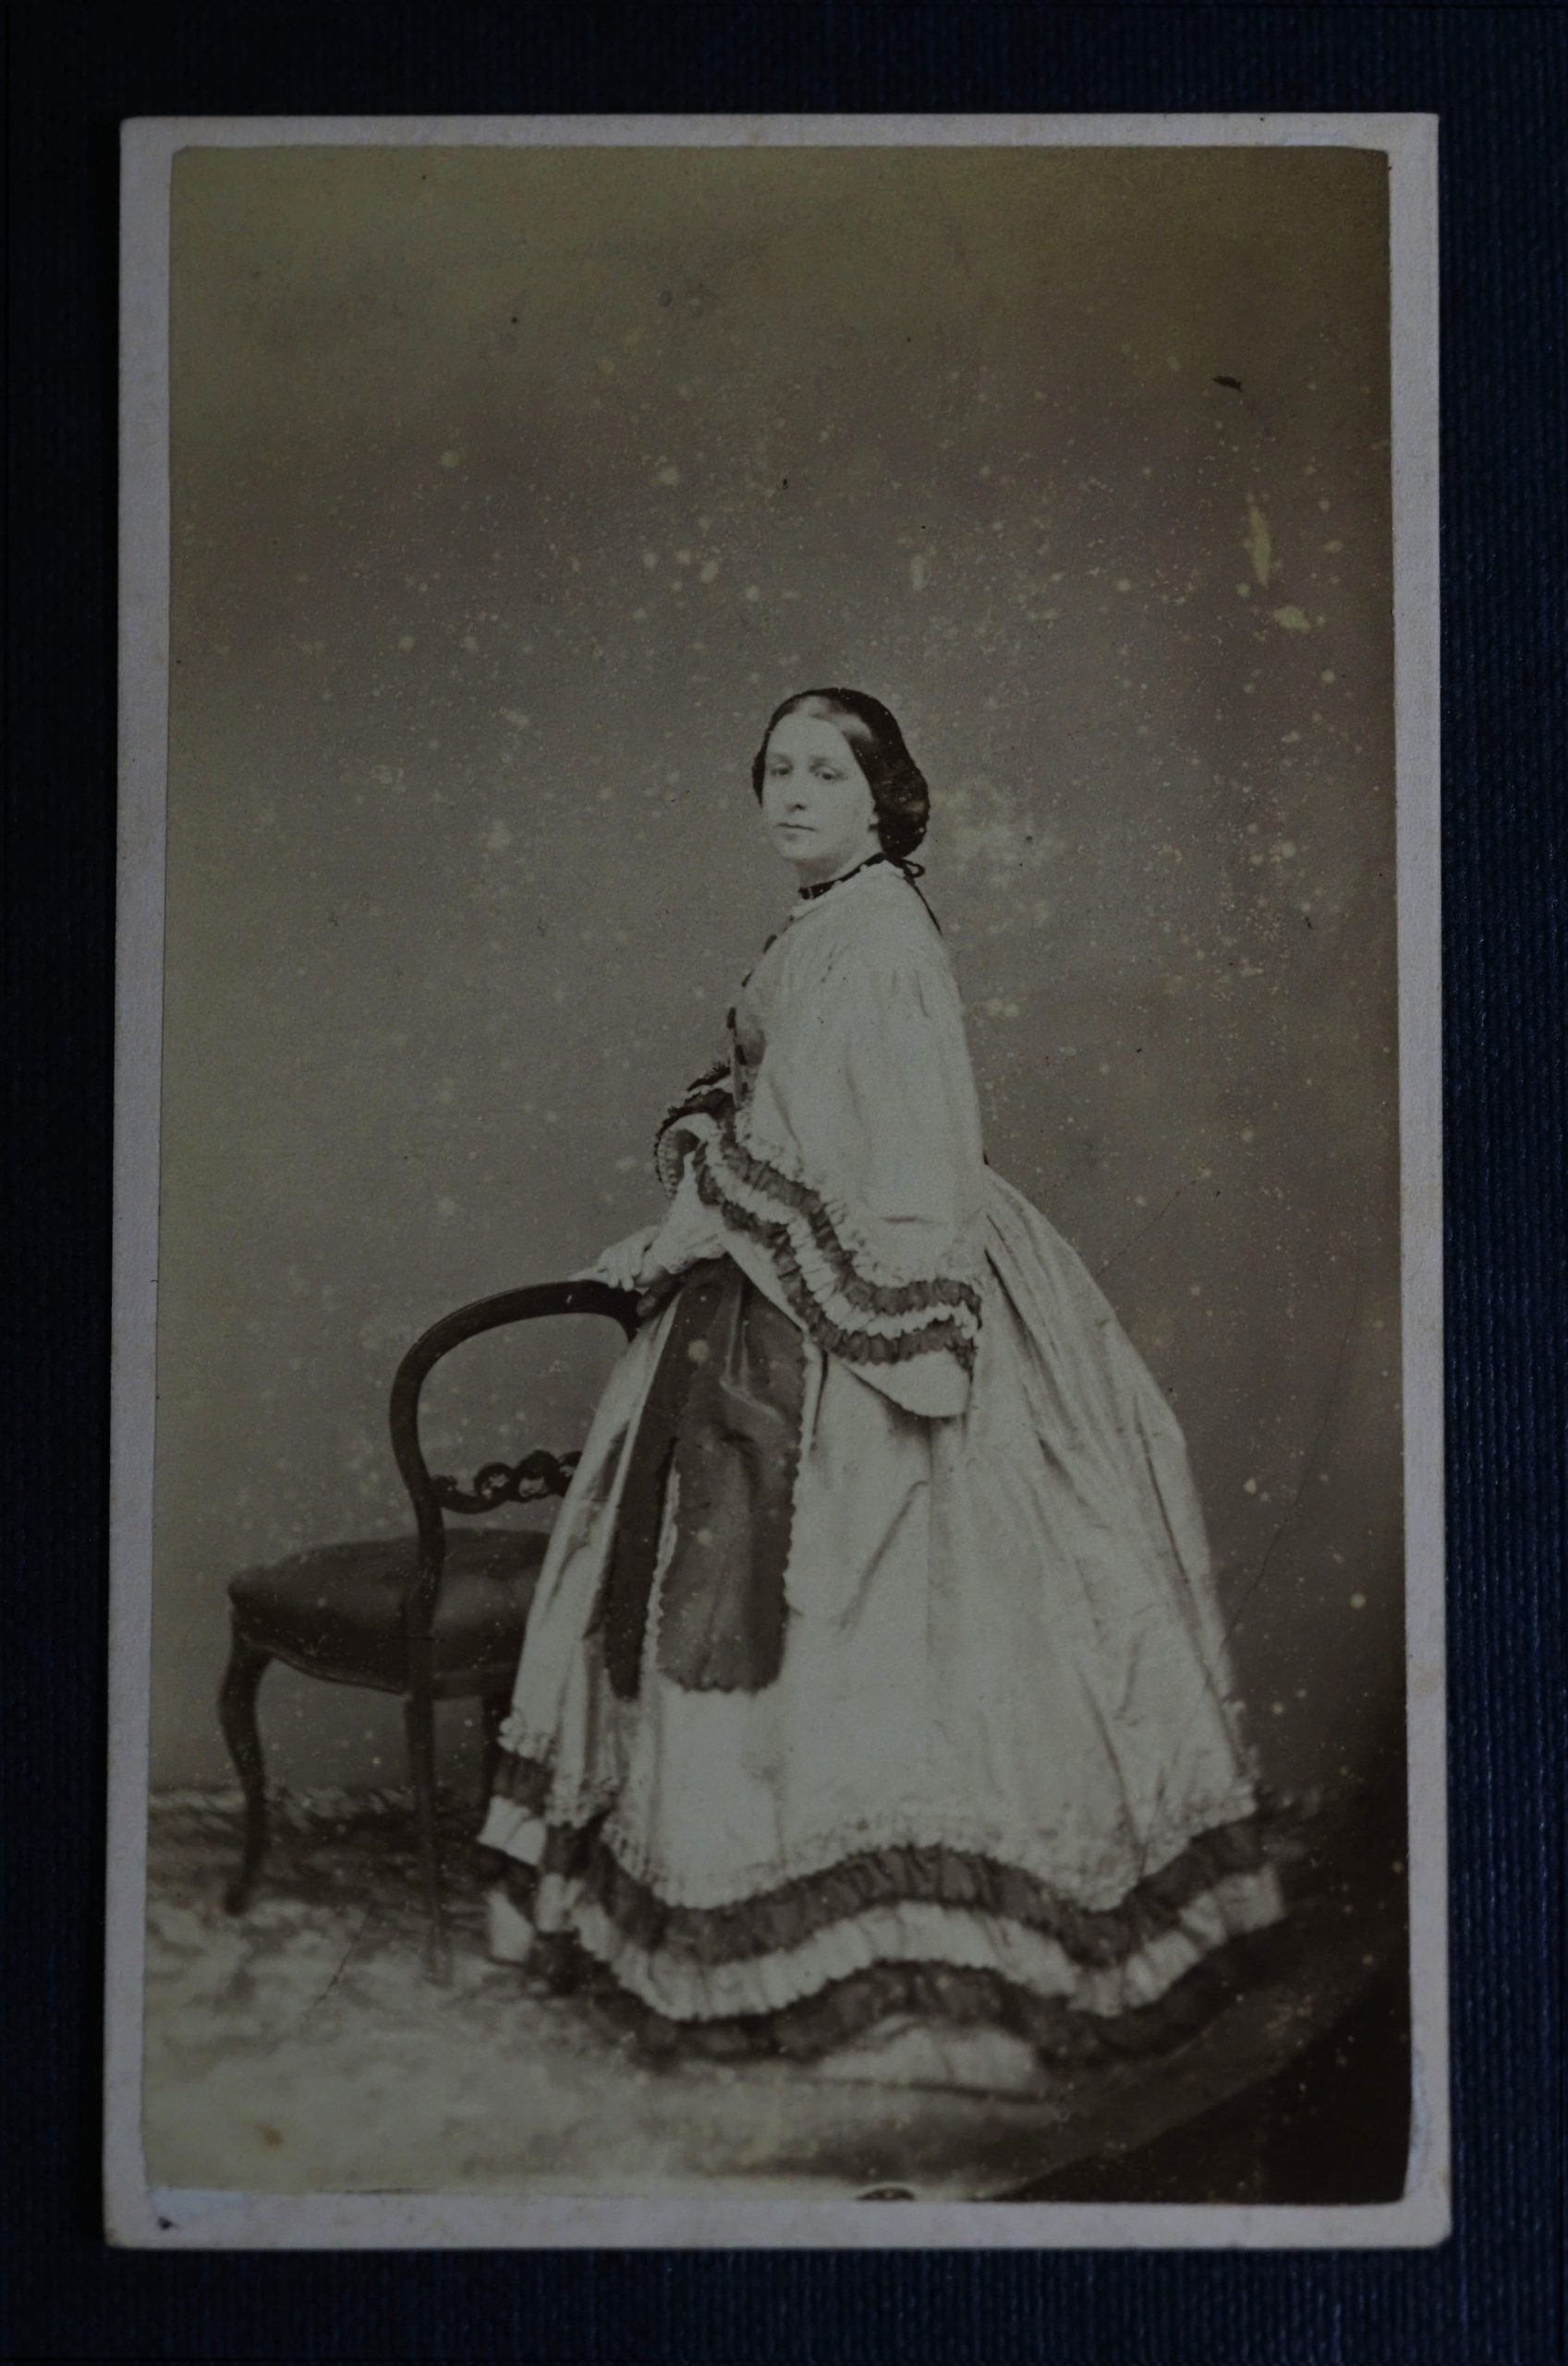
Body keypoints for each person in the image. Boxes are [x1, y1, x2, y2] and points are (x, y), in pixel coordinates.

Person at [477, 687, 1286, 2095]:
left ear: (880, 797)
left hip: (851, 1294)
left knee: (894, 1609)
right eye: (777, 771)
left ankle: (916, 1966)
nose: (793, 795)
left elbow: (892, 1166)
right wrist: (687, 1222)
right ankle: (713, 1905)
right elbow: (781, 1111)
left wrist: (699, 1244)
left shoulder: (880, 938)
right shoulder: (829, 919)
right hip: (776, 1273)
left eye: (825, 774)